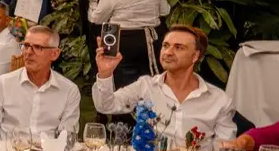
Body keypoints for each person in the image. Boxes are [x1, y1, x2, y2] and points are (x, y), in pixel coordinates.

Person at [92, 25, 237, 142]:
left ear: (195, 56)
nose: (168, 52)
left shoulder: (219, 101)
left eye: (178, 47)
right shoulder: (145, 86)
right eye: (165, 45)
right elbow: (105, 106)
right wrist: (105, 73)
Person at [0, 24, 81, 139]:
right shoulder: (1, 84)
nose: (28, 52)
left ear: (54, 54)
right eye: (26, 46)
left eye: (37, 47)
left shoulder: (69, 90)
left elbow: (67, 137)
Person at [88, 0, 170, 91]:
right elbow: (165, 11)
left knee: (123, 81)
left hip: (121, 39)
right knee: (152, 80)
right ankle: (155, 110)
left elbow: (97, 18)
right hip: (152, 38)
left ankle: (125, 111)